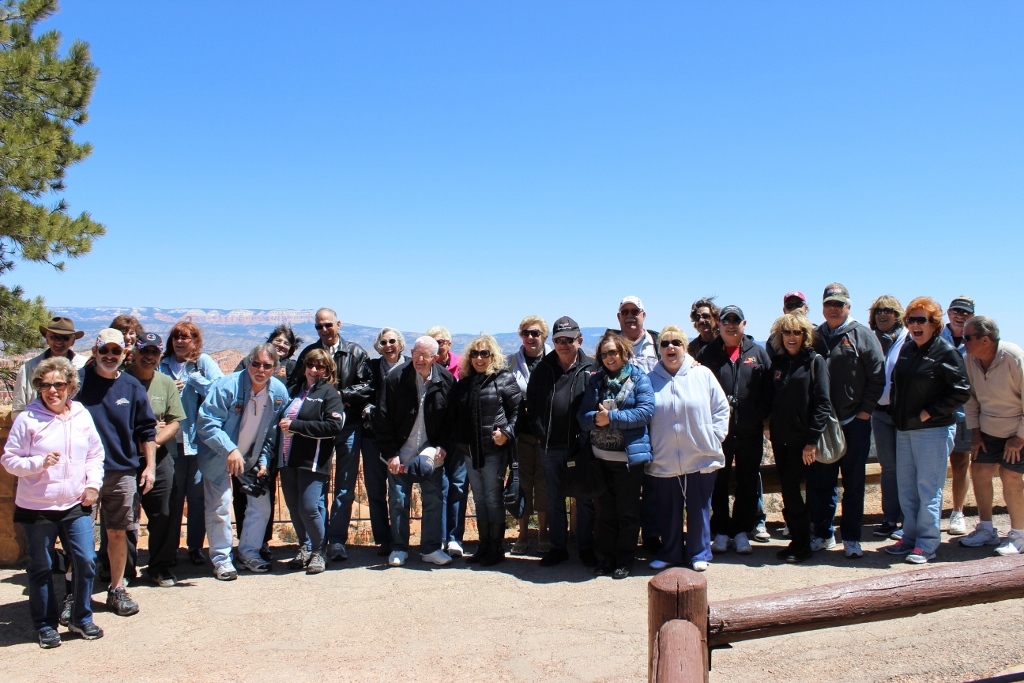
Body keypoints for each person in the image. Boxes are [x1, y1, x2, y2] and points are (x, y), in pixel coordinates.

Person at [2, 357, 105, 647]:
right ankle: (45, 624)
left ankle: (81, 618)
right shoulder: (28, 419)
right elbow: (10, 460)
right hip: (37, 506)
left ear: (70, 385)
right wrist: (38, 463)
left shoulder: (81, 415)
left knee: (85, 560)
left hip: (75, 502)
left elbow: (95, 455)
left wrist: (92, 485)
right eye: (45, 385)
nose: (52, 390)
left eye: (59, 384)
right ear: (38, 388)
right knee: (41, 566)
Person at [76, 329, 157, 616]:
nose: (109, 356)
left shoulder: (132, 387)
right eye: (104, 351)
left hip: (121, 471)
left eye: (115, 351)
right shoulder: (78, 383)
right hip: (82, 472)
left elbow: (146, 430)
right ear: (95, 351)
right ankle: (74, 596)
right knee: (79, 537)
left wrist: (149, 466)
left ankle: (116, 588)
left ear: (125, 353)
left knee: (118, 533)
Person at [885, 297, 970, 564]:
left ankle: (927, 543)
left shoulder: (945, 352)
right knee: (907, 488)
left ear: (934, 323)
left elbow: (962, 391)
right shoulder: (909, 348)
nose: (915, 325)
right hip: (905, 429)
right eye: (911, 320)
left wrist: (931, 411)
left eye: (921, 320)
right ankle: (909, 537)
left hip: (933, 430)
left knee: (928, 490)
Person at [196, 343, 290, 579]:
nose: (260, 369)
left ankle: (249, 553)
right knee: (220, 505)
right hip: (219, 455)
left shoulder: (278, 394)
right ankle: (222, 559)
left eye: (267, 366)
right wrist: (229, 449)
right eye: (255, 363)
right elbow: (206, 422)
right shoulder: (227, 386)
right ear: (248, 363)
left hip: (251, 457)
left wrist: (265, 460)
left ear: (275, 368)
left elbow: (271, 432)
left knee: (262, 505)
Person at [288, 308, 372, 562]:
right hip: (315, 430)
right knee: (317, 485)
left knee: (345, 485)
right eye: (319, 326)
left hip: (347, 426)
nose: (324, 330)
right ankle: (316, 543)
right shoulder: (309, 354)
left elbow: (367, 385)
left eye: (328, 325)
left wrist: (341, 396)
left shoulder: (356, 352)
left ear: (338, 324)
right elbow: (295, 384)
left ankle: (336, 541)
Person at [809, 283, 885, 559]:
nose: (834, 308)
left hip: (854, 421)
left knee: (853, 482)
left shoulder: (862, 335)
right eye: (829, 303)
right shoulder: (816, 336)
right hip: (824, 423)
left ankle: (851, 537)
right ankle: (823, 533)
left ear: (848, 306)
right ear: (823, 306)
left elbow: (877, 376)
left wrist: (865, 412)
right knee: (823, 482)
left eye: (839, 304)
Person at [647, 325, 730, 572]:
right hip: (664, 455)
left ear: (685, 347)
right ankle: (671, 552)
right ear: (659, 349)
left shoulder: (702, 374)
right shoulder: (649, 380)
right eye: (665, 343)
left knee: (699, 506)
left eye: (676, 342)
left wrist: (715, 436)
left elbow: (721, 408)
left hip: (700, 453)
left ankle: (699, 552)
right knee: (668, 508)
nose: (670, 347)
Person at [697, 305, 772, 556]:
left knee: (748, 481)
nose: (730, 325)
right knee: (717, 480)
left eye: (735, 321)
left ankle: (741, 531)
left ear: (744, 324)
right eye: (726, 321)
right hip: (718, 432)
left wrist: (759, 416)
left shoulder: (757, 353)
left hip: (749, 430)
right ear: (719, 324)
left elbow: (769, 389)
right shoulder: (708, 354)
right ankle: (720, 530)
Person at [578, 332, 654, 578]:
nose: (609, 357)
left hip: (628, 460)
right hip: (600, 458)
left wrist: (612, 418)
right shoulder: (596, 381)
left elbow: (645, 412)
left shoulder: (638, 377)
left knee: (628, 513)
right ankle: (608, 558)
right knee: (606, 513)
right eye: (604, 354)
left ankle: (625, 559)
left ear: (623, 352)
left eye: (613, 352)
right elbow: (583, 417)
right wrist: (595, 420)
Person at [374, 336, 455, 567]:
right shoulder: (396, 378)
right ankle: (399, 548)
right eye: (417, 353)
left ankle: (430, 549)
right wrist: (391, 453)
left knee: (433, 500)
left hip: (430, 453)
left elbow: (451, 420)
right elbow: (382, 417)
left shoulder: (446, 380)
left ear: (435, 358)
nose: (420, 359)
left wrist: (442, 446)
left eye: (426, 356)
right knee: (399, 500)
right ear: (411, 351)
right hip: (400, 452)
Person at [526, 316, 597, 567]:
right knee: (554, 498)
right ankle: (558, 548)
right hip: (550, 445)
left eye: (568, 339)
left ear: (579, 340)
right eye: (558, 340)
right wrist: (540, 431)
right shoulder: (543, 368)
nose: (563, 344)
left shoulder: (592, 368)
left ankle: (586, 547)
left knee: (585, 498)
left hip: (582, 446)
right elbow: (532, 404)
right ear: (553, 342)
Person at [232, 325, 303, 559]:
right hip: (248, 434)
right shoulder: (249, 363)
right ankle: (244, 538)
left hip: (278, 437)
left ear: (291, 349)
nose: (281, 345)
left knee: (266, 488)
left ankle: (262, 540)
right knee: (242, 490)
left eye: (286, 343)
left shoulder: (293, 368)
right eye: (277, 340)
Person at [450, 334, 521, 566]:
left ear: (493, 356)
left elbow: (519, 412)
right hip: (470, 451)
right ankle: (484, 544)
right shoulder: (465, 383)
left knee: (492, 498)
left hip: (493, 449)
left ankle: (496, 547)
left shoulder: (503, 379)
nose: (479, 358)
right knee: (479, 499)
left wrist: (506, 434)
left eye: (485, 353)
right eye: (475, 353)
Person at [766, 314, 831, 563]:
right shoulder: (779, 362)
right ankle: (797, 539)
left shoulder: (814, 362)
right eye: (787, 332)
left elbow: (822, 403)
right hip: (780, 438)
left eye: (797, 333)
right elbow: (771, 397)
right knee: (788, 490)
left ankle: (803, 542)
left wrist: (812, 441)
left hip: (803, 442)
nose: (791, 337)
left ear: (805, 335)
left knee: (799, 491)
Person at [273, 349, 345, 574]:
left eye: (320, 366)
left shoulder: (329, 393)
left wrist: (296, 427)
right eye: (311, 365)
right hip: (287, 458)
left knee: (309, 507)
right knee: (294, 507)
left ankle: (319, 550)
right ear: (304, 367)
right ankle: (305, 546)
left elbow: (334, 427)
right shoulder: (292, 390)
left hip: (312, 460)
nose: (314, 370)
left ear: (327, 370)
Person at [159, 319, 223, 567]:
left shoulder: (202, 363)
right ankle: (170, 548)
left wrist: (195, 381)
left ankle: (195, 546)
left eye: (186, 337)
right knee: (172, 498)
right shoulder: (162, 365)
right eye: (176, 336)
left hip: (197, 442)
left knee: (197, 499)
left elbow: (219, 390)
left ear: (195, 341)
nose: (180, 341)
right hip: (169, 443)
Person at [126, 333, 186, 586]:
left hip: (159, 456)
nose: (149, 357)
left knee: (164, 513)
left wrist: (153, 442)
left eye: (155, 353)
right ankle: (122, 569)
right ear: (135, 352)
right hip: (125, 457)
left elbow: (175, 422)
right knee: (124, 516)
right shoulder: (121, 379)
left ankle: (159, 566)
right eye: (144, 351)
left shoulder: (165, 383)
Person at [961, 316, 1024, 555]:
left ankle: (1019, 534)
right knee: (979, 471)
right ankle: (986, 529)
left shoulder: (1014, 357)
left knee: (1010, 476)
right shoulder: (970, 359)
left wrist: (1020, 437)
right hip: (988, 429)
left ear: (985, 340)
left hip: (1018, 428)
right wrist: (975, 432)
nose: (963, 342)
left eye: (968, 337)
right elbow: (970, 398)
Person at [360, 327, 409, 557]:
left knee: (398, 491)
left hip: (402, 440)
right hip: (372, 438)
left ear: (400, 344)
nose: (388, 346)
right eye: (383, 342)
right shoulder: (371, 367)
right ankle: (384, 539)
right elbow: (362, 392)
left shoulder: (410, 366)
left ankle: (400, 539)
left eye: (392, 341)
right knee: (375, 490)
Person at [507, 315, 552, 555]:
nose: (530, 337)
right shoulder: (512, 361)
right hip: (521, 434)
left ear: (544, 336)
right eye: (526, 332)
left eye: (535, 333)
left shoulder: (553, 361)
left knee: (543, 485)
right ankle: (523, 534)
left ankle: (543, 534)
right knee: (523, 484)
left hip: (546, 435)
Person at [867, 295, 909, 540]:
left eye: (888, 310)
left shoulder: (907, 339)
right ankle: (890, 518)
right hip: (880, 413)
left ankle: (908, 519)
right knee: (889, 468)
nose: (883, 314)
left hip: (903, 414)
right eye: (878, 311)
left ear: (897, 314)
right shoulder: (871, 340)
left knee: (907, 468)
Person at [427, 325, 467, 555]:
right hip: (434, 438)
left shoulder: (462, 366)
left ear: (449, 344)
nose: (438, 345)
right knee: (439, 487)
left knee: (459, 486)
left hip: (459, 438)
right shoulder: (425, 367)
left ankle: (454, 538)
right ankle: (440, 538)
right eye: (434, 342)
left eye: (441, 342)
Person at [940, 296, 976, 536]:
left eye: (965, 312)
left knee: (961, 463)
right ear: (948, 312)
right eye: (956, 310)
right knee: (934, 466)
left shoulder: (974, 340)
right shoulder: (934, 334)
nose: (960, 315)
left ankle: (957, 513)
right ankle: (931, 515)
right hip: (937, 412)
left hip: (965, 411)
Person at [12, 316, 88, 419]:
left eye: (64, 338)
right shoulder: (28, 369)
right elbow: (18, 410)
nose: (59, 342)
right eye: (54, 337)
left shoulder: (85, 366)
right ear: (47, 339)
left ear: (73, 341)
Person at [609, 296, 659, 372]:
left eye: (634, 312)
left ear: (643, 315)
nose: (629, 315)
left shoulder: (658, 343)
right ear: (619, 317)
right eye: (625, 312)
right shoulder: (610, 345)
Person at [765, 291, 811, 361]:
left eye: (798, 304)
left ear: (806, 308)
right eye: (789, 306)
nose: (794, 309)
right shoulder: (773, 339)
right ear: (784, 310)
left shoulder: (816, 335)